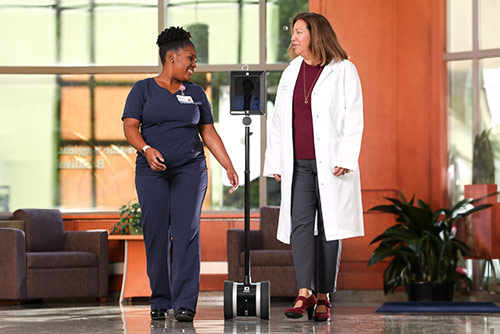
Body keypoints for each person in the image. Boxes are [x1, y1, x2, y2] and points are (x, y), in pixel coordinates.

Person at [122, 26, 239, 322]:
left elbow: (208, 132)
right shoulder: (142, 90)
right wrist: (147, 150)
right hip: (152, 173)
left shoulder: (197, 92)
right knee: (156, 233)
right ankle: (160, 299)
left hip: (190, 169)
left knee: (186, 232)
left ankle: (186, 303)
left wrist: (228, 164)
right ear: (171, 57)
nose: (193, 65)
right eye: (190, 58)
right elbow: (130, 127)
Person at [263, 12, 364, 322]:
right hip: (299, 165)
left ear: (315, 35)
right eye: (292, 32)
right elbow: (279, 122)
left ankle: (324, 296)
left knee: (330, 229)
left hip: (332, 165)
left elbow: (354, 115)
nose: (293, 38)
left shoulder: (343, 70)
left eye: (299, 32)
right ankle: (304, 291)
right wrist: (277, 160)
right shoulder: (291, 72)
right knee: (301, 226)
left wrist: (346, 157)